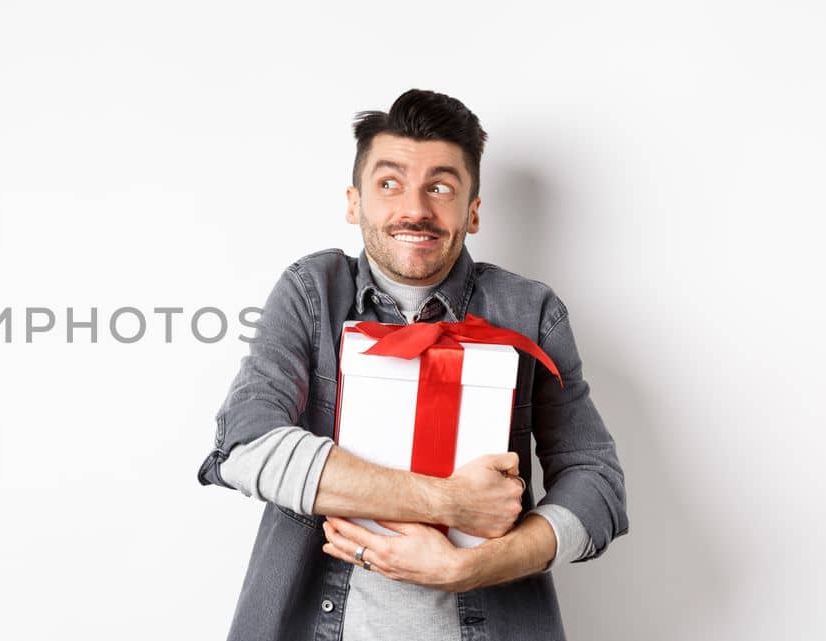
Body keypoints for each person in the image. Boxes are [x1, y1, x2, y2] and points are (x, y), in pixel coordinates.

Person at [196, 89, 628, 640]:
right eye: (389, 183)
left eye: (440, 187)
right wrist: (450, 501)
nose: (415, 209)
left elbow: (597, 483)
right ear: (354, 202)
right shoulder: (313, 294)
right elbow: (244, 446)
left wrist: (473, 567)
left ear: (472, 211)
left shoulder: (530, 311)